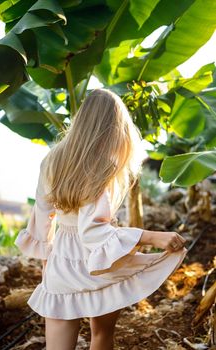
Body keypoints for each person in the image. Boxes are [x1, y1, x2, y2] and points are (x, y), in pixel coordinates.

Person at [14, 88, 187, 350]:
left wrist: (47, 263)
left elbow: (41, 217)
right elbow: (94, 232)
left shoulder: (51, 160)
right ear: (114, 128)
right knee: (102, 336)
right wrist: (153, 237)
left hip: (62, 262)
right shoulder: (103, 166)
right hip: (100, 264)